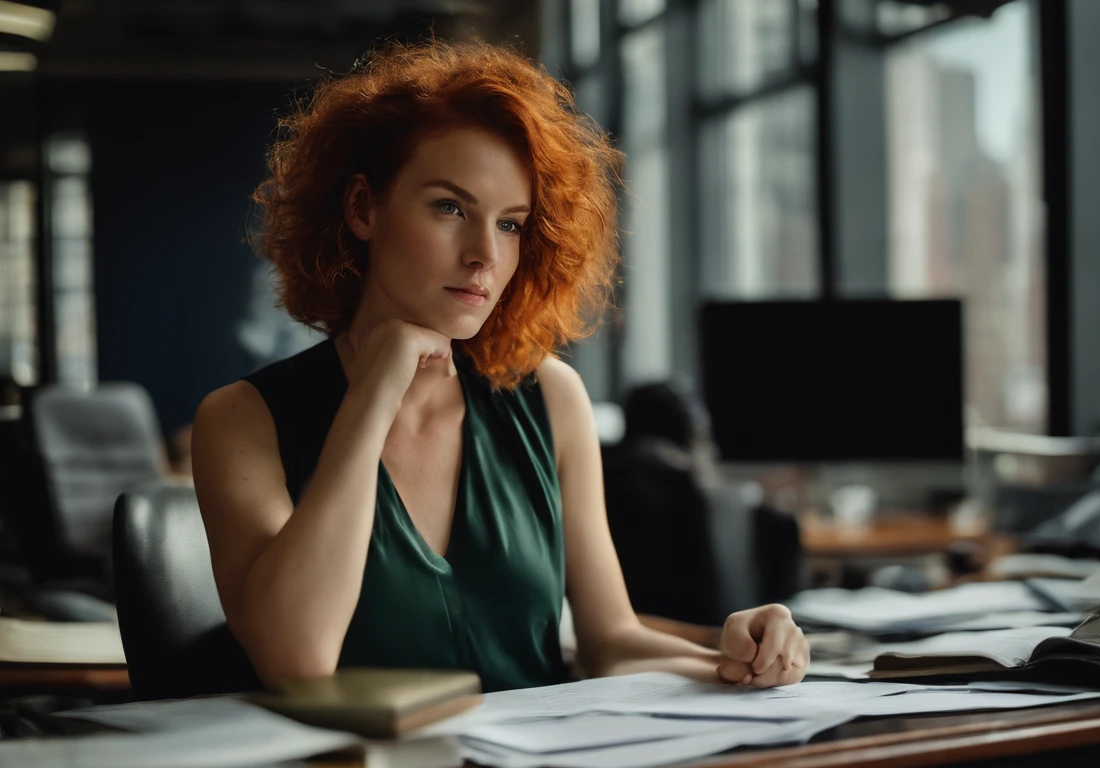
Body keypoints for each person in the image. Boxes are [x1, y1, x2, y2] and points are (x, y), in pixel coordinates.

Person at [191, 38, 809, 693]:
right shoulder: (240, 420)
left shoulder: (551, 396)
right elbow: (295, 659)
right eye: (450, 207)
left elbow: (610, 645)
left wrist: (740, 658)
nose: (484, 254)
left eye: (511, 224)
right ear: (362, 208)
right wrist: (374, 393)